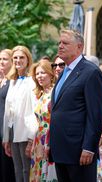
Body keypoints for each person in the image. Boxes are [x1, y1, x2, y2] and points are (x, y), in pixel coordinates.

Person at [49, 29, 102, 182]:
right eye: (59, 43)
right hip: (61, 150)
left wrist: (89, 147)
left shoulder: (91, 72)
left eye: (65, 43)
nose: (60, 46)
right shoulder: (64, 72)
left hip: (79, 152)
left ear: (79, 47)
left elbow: (96, 115)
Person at [3, 45, 37, 182]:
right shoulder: (13, 82)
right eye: (15, 58)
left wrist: (31, 137)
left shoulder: (32, 81)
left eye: (21, 57)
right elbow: (8, 111)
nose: (18, 60)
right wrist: (6, 136)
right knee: (17, 169)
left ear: (28, 60)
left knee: (26, 170)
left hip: (25, 132)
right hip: (13, 132)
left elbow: (33, 110)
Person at [29, 60, 57, 182]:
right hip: (38, 138)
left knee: (48, 172)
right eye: (37, 73)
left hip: (49, 136)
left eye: (43, 73)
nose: (39, 76)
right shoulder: (40, 94)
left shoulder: (54, 92)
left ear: (51, 74)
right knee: (38, 171)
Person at [0, 49, 15, 182]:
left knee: (7, 172)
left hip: (6, 134)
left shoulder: (13, 82)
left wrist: (8, 136)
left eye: (5, 59)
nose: (1, 62)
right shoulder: (2, 80)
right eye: (0, 59)